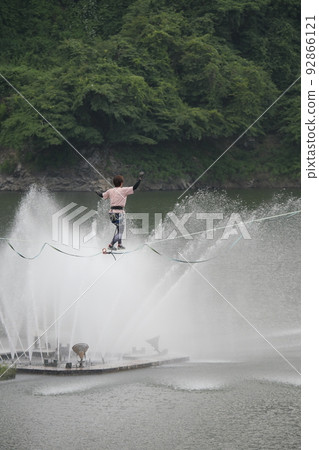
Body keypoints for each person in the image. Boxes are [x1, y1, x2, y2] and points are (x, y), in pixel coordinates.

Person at [96, 172, 144, 252]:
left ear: (114, 183)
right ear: (121, 183)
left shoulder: (110, 191)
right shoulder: (124, 190)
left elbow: (102, 195)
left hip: (111, 214)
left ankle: (119, 244)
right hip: (119, 213)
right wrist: (139, 180)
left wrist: (97, 192)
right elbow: (134, 187)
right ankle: (111, 245)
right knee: (121, 231)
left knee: (119, 228)